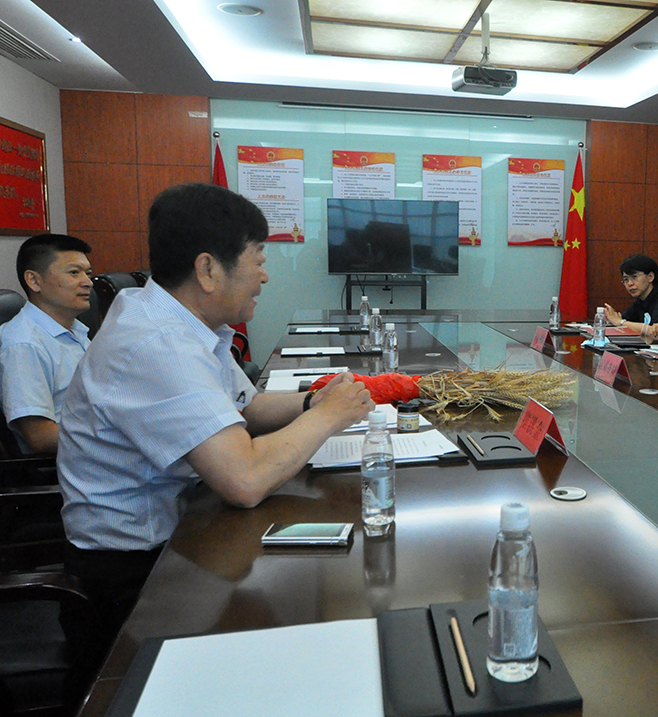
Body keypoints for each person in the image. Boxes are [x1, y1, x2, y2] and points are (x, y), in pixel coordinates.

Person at [57, 183, 376, 636]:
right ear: (207, 269)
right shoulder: (158, 343)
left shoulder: (172, 319)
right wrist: (328, 417)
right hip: (133, 576)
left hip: (186, 529)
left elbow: (245, 407)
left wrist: (313, 401)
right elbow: (244, 480)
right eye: (258, 260)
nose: (265, 276)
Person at [0, 233, 93, 454]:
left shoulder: (76, 331)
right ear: (34, 281)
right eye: (74, 273)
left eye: (88, 273)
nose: (88, 282)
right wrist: (118, 432)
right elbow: (40, 437)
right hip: (69, 463)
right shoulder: (24, 344)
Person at [603, 254, 658, 333]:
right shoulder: (641, 301)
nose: (629, 283)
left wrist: (620, 322)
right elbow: (624, 320)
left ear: (650, 277)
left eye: (634, 277)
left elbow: (654, 331)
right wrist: (611, 319)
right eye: (626, 279)